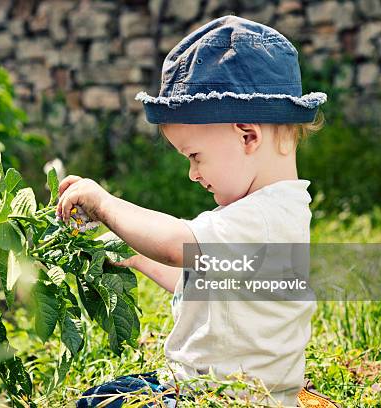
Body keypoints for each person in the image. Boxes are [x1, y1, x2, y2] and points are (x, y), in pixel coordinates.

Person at [56, 15, 337, 408]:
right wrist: (135, 255)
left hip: (228, 399)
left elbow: (177, 245)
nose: (193, 174)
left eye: (195, 156)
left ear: (247, 136)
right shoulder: (274, 211)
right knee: (105, 396)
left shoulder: (264, 217)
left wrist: (105, 204)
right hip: (209, 389)